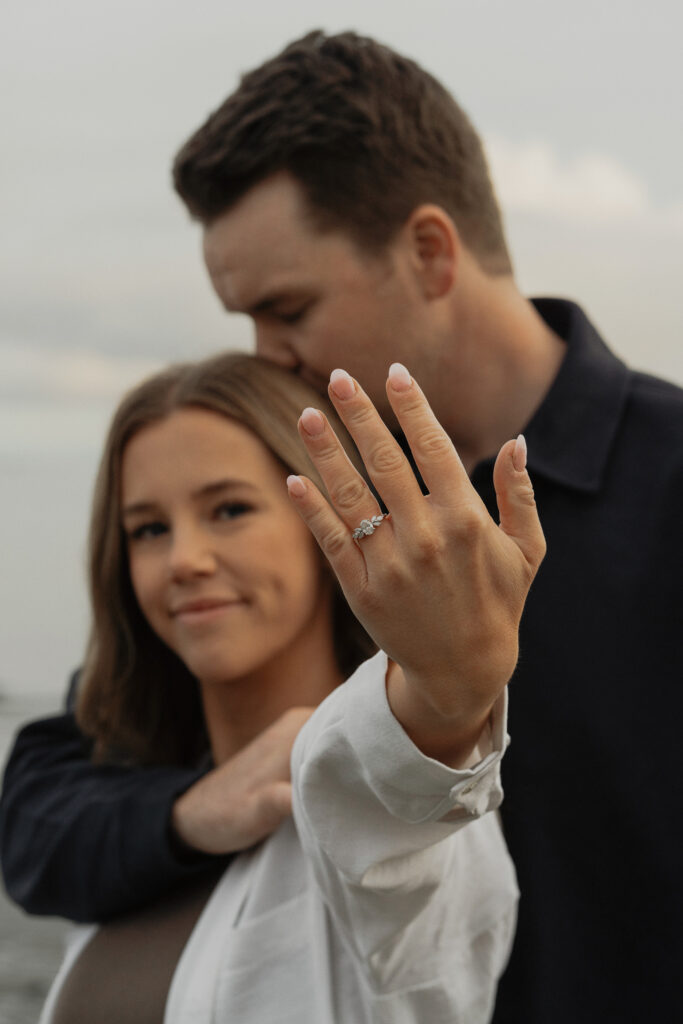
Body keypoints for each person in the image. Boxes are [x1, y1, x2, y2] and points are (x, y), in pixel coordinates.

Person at [1, 28, 682, 1024]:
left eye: (286, 309)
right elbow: (52, 794)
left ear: (428, 251)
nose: (265, 357)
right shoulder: (299, 504)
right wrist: (192, 810)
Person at [36, 350, 542, 1022]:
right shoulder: (140, 793)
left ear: (327, 526)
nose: (184, 559)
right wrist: (185, 816)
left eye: (229, 510)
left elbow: (397, 807)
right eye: (149, 529)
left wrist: (449, 690)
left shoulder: (390, 817)